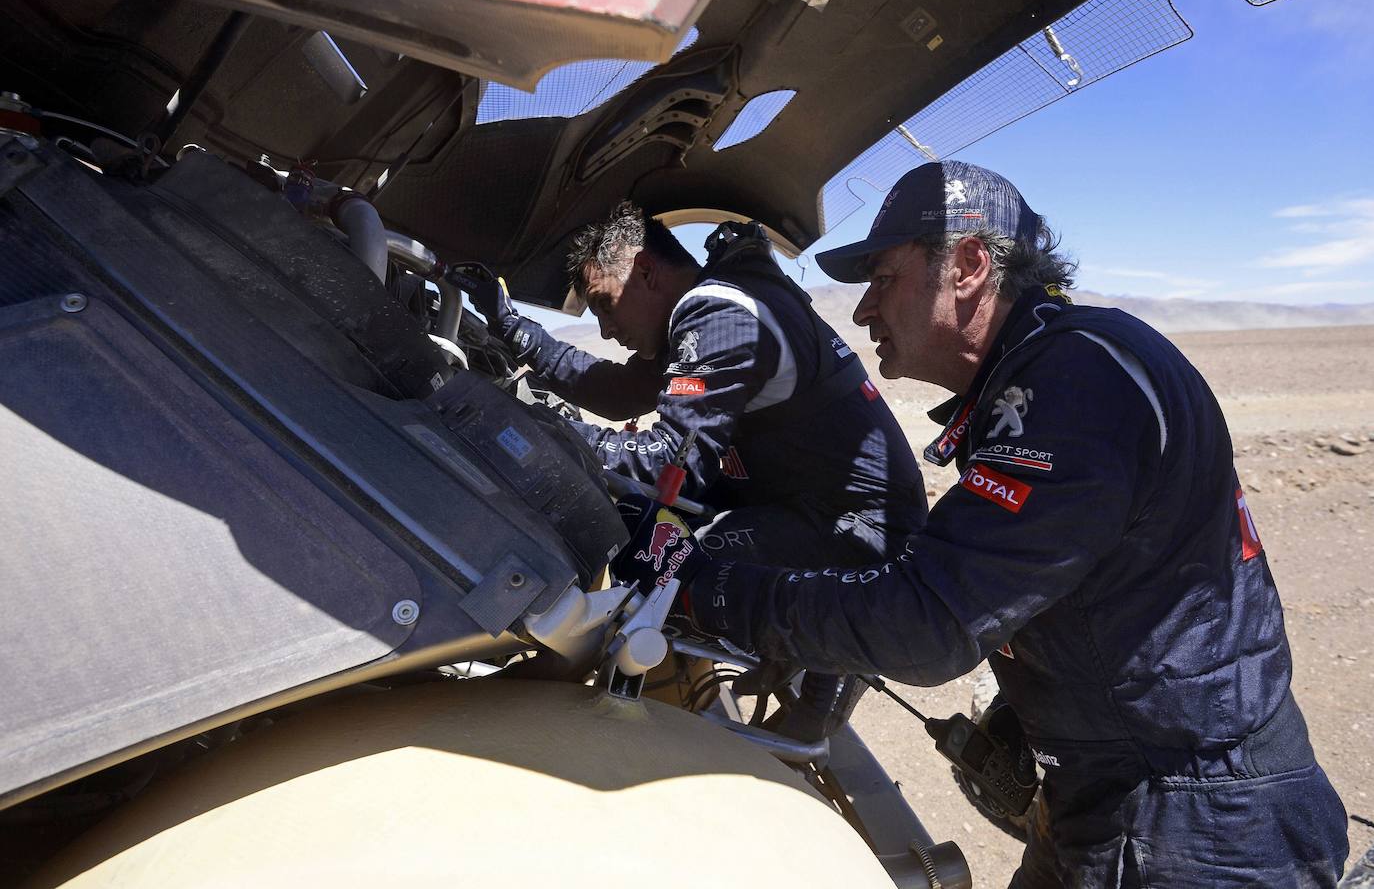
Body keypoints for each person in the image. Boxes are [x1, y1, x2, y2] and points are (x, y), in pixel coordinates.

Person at [611, 161, 1350, 887]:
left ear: (966, 264)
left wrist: (701, 588)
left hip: (1195, 829)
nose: (865, 309)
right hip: (1121, 805)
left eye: (884, 278)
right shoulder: (1054, 370)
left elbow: (926, 622)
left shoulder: (1074, 385)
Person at [467, 202, 929, 738]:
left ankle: (820, 688)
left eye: (606, 305)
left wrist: (553, 436)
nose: (608, 328)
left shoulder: (718, 313)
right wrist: (513, 328)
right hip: (818, 509)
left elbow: (669, 462)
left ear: (645, 270)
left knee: (662, 558)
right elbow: (617, 394)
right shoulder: (708, 312)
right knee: (649, 525)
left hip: (855, 529)